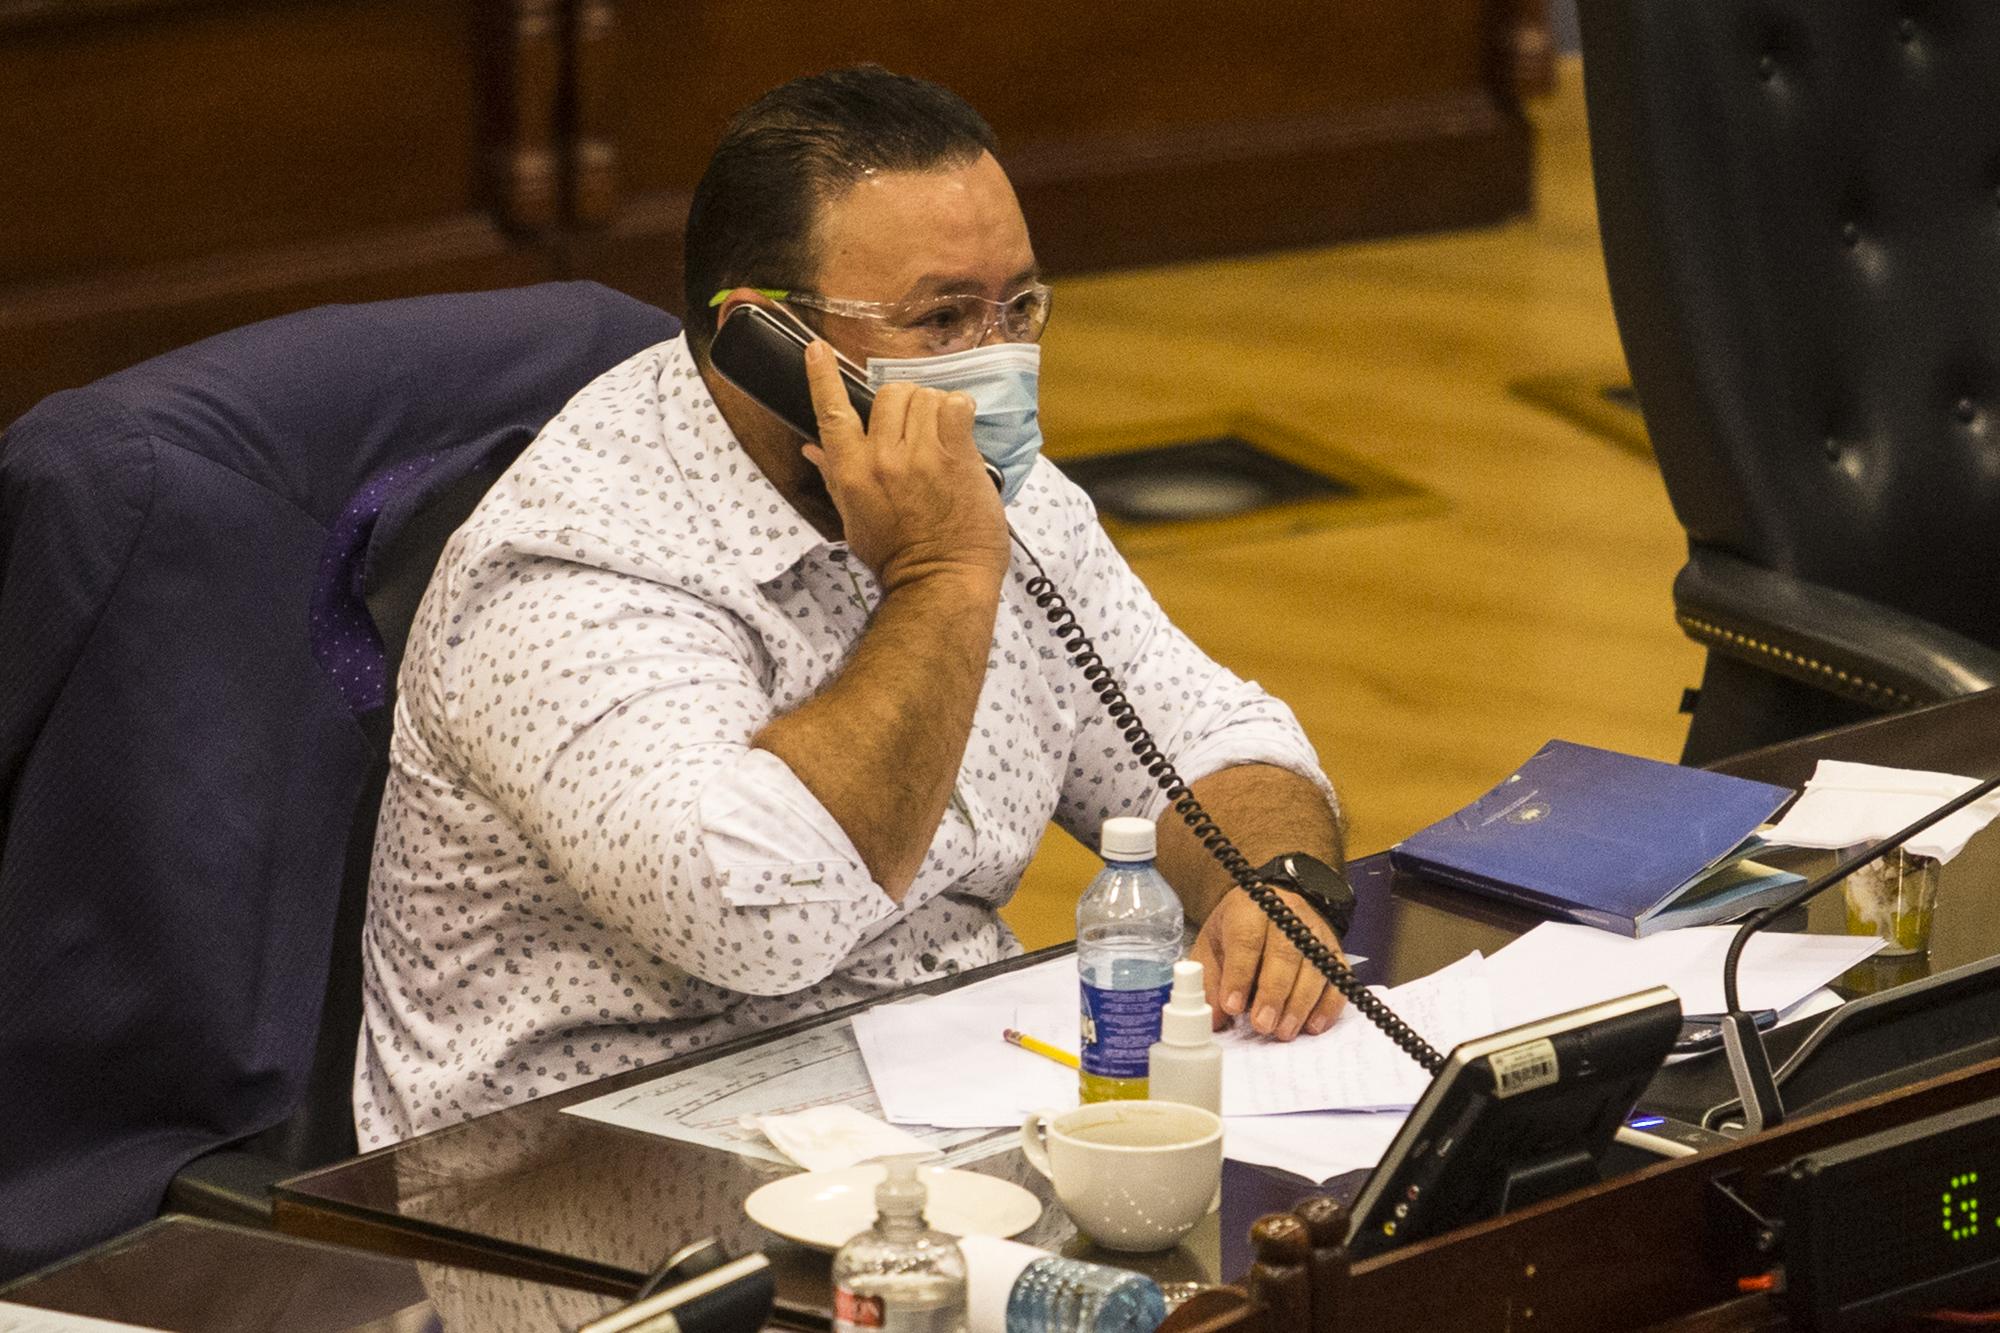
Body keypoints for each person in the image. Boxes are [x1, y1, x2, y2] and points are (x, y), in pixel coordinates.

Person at [354, 65, 1351, 1146]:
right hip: (595, 1184)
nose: (998, 361)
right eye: (941, 318)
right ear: (760, 342)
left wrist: (1275, 883)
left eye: (1019, 307)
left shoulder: (989, 494)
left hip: (943, 1112)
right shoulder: (568, 570)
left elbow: (1213, 735)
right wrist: (939, 580)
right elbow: (759, 918)